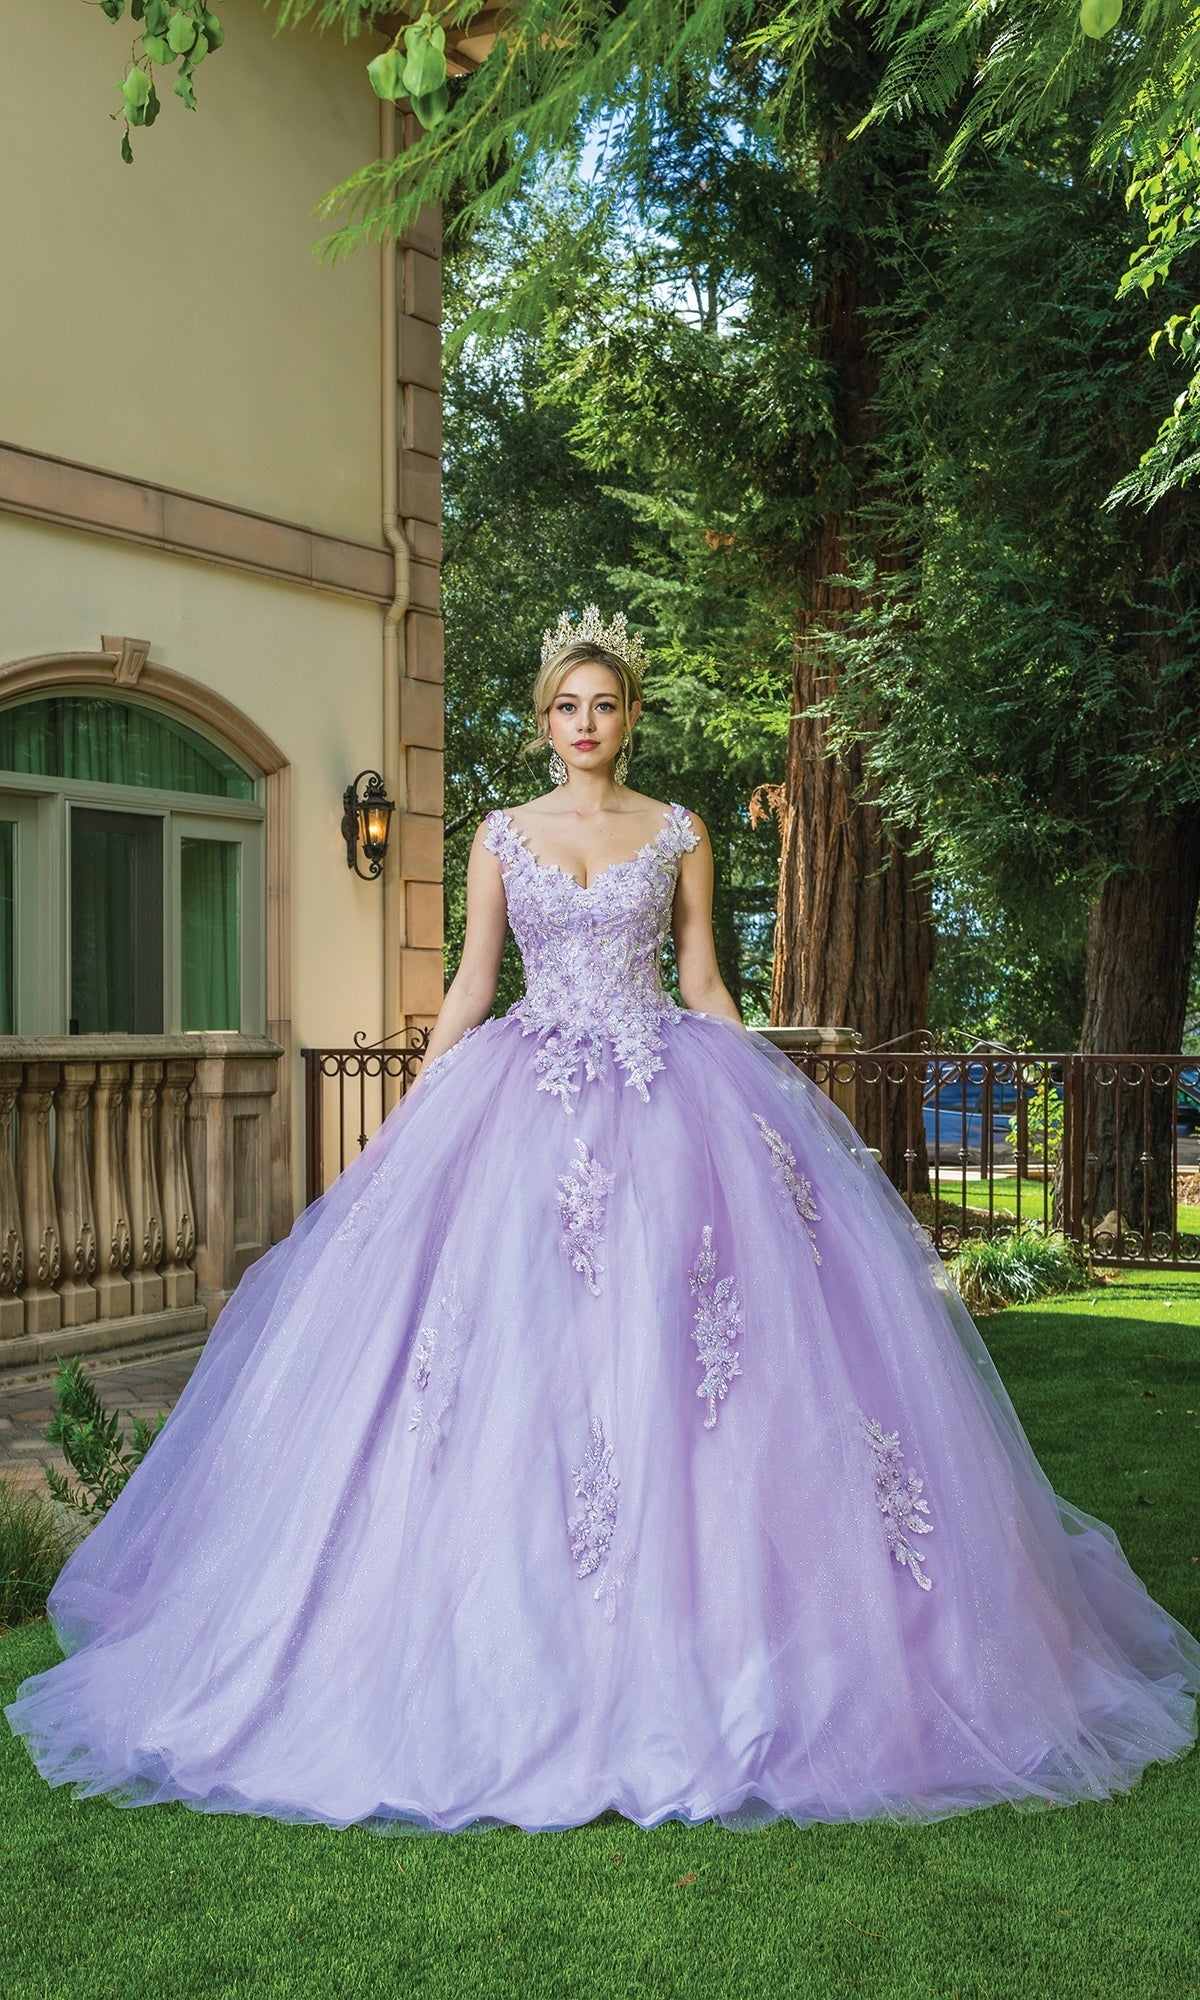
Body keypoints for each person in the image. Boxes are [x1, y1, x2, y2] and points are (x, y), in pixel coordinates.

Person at [6, 608, 1197, 1835]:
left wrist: (776, 1109)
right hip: (522, 1104)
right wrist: (415, 1115)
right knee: (514, 1352)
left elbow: (703, 983)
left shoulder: (676, 831)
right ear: (544, 721)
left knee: (694, 1355)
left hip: (665, 1098)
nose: (586, 723)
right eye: (567, 705)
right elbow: (473, 982)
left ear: (629, 716)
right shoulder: (501, 835)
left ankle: (715, 1630)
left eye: (605, 703)